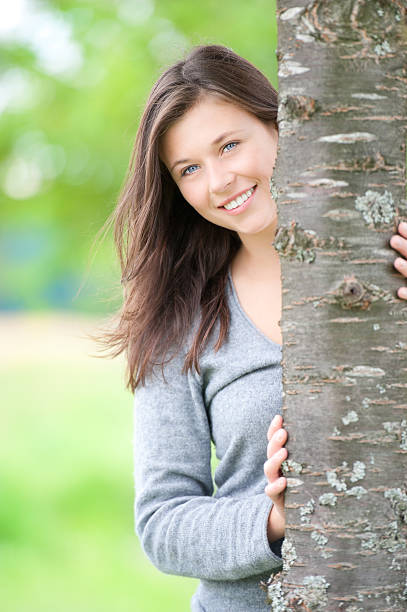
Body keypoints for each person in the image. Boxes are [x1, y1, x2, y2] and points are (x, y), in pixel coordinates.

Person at [99, 44, 407, 611]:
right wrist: (276, 519)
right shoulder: (180, 321)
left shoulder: (394, 258)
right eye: (189, 169)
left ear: (282, 122)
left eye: (230, 144)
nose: (218, 181)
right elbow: (163, 523)